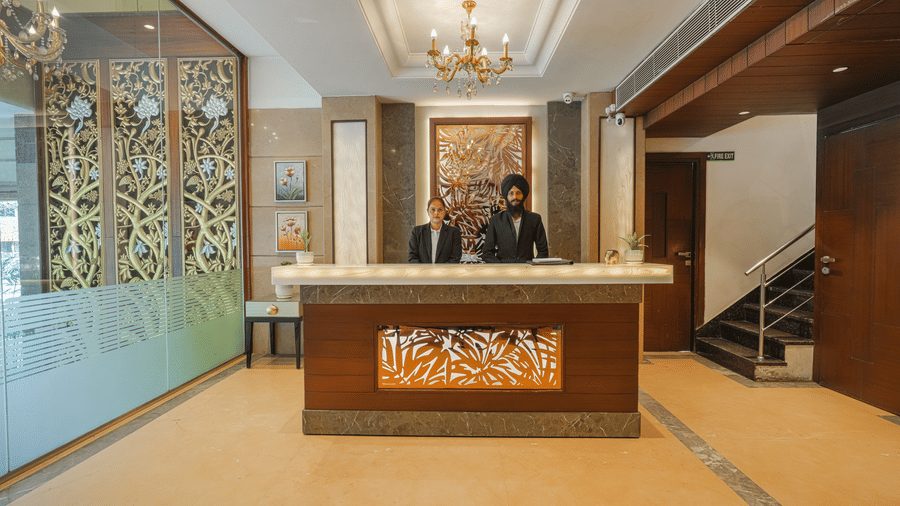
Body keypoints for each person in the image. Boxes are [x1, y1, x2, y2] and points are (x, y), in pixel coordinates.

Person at [482, 174, 549, 263]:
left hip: (527, 272)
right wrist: (501, 268)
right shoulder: (496, 220)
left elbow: (543, 251)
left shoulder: (534, 219)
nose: (515, 197)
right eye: (511, 193)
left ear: (523, 195)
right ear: (506, 196)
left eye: (518, 193)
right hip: (503, 273)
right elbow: (487, 253)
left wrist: (533, 267)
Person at [408, 197, 462, 264]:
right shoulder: (417, 232)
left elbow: (455, 258)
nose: (436, 213)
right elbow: (412, 257)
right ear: (427, 211)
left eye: (440, 209)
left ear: (444, 212)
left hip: (446, 273)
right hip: (423, 273)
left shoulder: (454, 233)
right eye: (433, 209)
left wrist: (439, 272)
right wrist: (426, 272)